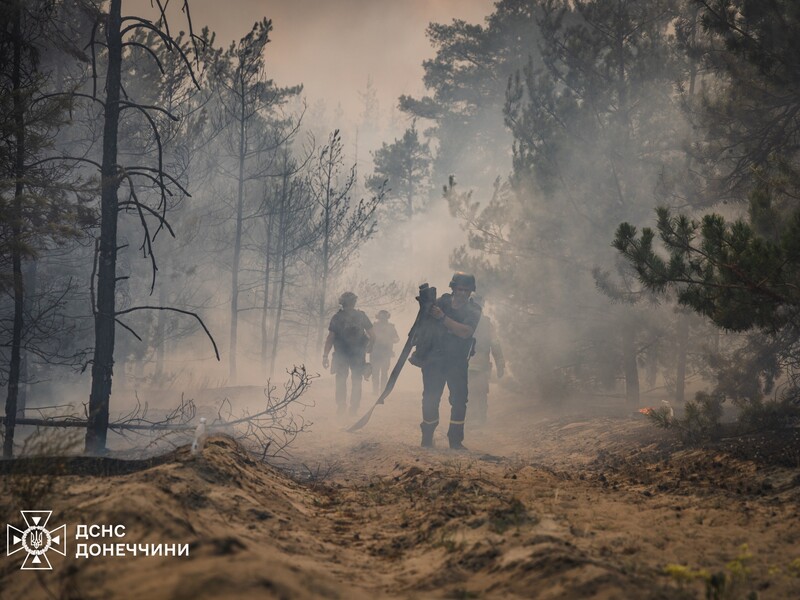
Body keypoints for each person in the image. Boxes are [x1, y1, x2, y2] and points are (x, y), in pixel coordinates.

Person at [417, 272, 481, 450]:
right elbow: (423, 325)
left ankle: (455, 441)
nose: (462, 293)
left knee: (459, 401)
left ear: (471, 292)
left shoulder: (474, 310)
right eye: (459, 289)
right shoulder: (441, 302)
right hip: (434, 360)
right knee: (430, 398)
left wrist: (442, 318)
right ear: (453, 288)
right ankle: (427, 436)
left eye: (466, 290)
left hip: (457, 362)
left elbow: (465, 332)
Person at [323, 292, 375, 416]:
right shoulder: (361, 316)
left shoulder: (337, 317)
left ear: (342, 302)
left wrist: (325, 356)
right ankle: (354, 408)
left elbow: (330, 337)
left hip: (341, 354)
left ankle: (341, 404)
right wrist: (370, 346)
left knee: (341, 380)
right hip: (358, 355)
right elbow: (373, 335)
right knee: (357, 380)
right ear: (354, 302)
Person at [468, 296, 505, 425]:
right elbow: (495, 344)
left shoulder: (464, 320)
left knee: (470, 393)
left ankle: (471, 420)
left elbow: (495, 343)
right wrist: (500, 363)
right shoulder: (487, 323)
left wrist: (500, 363)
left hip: (469, 366)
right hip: (478, 366)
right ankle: (478, 419)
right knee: (480, 393)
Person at [370, 310, 400, 394]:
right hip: (376, 352)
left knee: (383, 372)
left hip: (385, 353)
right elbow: (368, 337)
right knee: (376, 372)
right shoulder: (374, 326)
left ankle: (382, 390)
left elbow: (397, 338)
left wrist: (391, 340)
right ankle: (376, 391)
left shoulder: (390, 327)